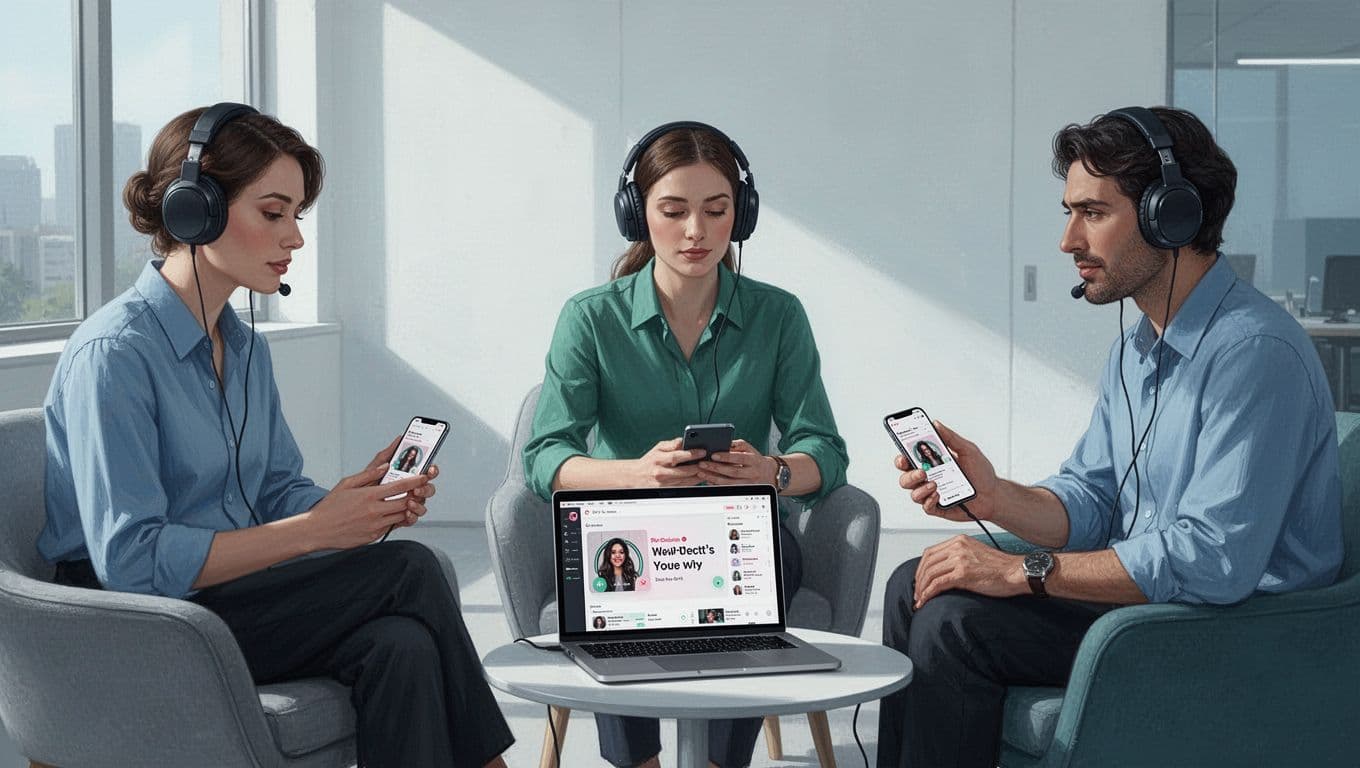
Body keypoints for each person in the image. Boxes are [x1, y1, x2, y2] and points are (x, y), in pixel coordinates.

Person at [36, 104, 513, 768]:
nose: (294, 238)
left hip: (229, 603)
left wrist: (345, 506)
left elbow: (271, 489)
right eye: (272, 212)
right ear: (193, 210)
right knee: (416, 566)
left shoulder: (245, 348)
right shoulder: (114, 354)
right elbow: (133, 561)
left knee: (401, 645)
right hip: (138, 625)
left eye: (297, 216)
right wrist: (316, 532)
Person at [876, 106, 1343, 768]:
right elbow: (1094, 500)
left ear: (1170, 214)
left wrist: (1022, 569)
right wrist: (992, 495)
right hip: (1158, 605)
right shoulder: (1136, 351)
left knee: (956, 624)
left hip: (1230, 631)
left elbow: (1213, 560)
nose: (1068, 240)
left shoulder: (1255, 353)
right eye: (1070, 211)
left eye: (1093, 212)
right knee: (912, 581)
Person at [523, 121, 849, 768]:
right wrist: (636, 475)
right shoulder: (590, 317)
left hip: (741, 530)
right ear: (637, 214)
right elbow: (545, 459)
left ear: (742, 214)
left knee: (765, 561)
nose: (696, 231)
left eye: (716, 210)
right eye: (673, 211)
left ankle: (719, 762)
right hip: (629, 532)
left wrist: (772, 471)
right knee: (614, 580)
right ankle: (637, 761)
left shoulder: (778, 315)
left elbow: (826, 450)